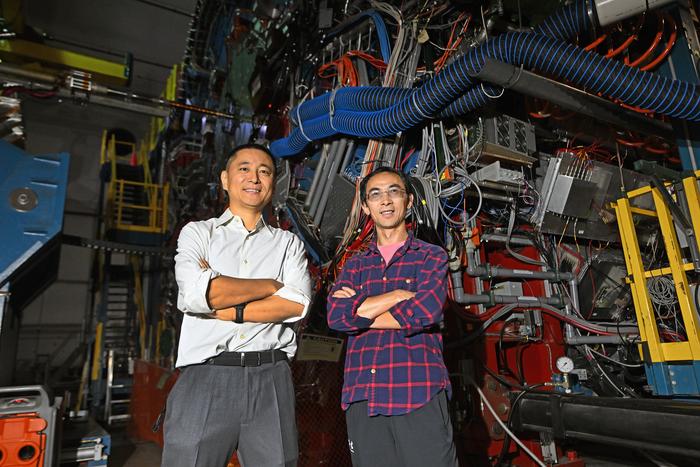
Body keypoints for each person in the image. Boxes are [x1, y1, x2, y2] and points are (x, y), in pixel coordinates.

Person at [163, 143, 312, 467]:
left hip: (271, 379)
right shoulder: (198, 234)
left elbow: (297, 304)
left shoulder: (287, 243)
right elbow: (198, 294)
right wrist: (271, 287)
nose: (254, 178)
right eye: (244, 168)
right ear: (225, 179)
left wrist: (232, 308)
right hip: (206, 377)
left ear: (273, 183)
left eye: (264, 171)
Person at [327, 167, 458, 467]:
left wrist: (359, 308)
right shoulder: (355, 265)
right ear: (365, 207)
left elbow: (426, 311)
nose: (385, 200)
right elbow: (336, 317)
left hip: (417, 391)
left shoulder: (431, 257)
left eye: (393, 191)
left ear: (409, 201)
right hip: (364, 396)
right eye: (375, 194)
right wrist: (398, 296)